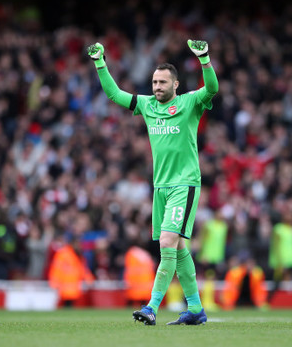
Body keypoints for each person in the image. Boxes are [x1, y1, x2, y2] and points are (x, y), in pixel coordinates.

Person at [88, 39, 218, 325]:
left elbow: (212, 89)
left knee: (168, 244)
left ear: (176, 85)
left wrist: (204, 59)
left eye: (162, 82)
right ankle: (195, 309)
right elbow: (113, 94)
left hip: (185, 184)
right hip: (160, 188)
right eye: (154, 82)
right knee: (179, 249)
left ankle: (151, 307)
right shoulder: (146, 105)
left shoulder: (189, 102)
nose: (157, 86)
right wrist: (100, 62)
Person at [48, 233, 95, 307]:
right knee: (64, 305)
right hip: (64, 287)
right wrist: (54, 283)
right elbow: (56, 269)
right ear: (72, 243)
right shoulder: (63, 254)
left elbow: (83, 270)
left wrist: (89, 279)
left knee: (70, 306)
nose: (79, 246)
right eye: (77, 244)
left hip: (74, 287)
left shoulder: (79, 255)